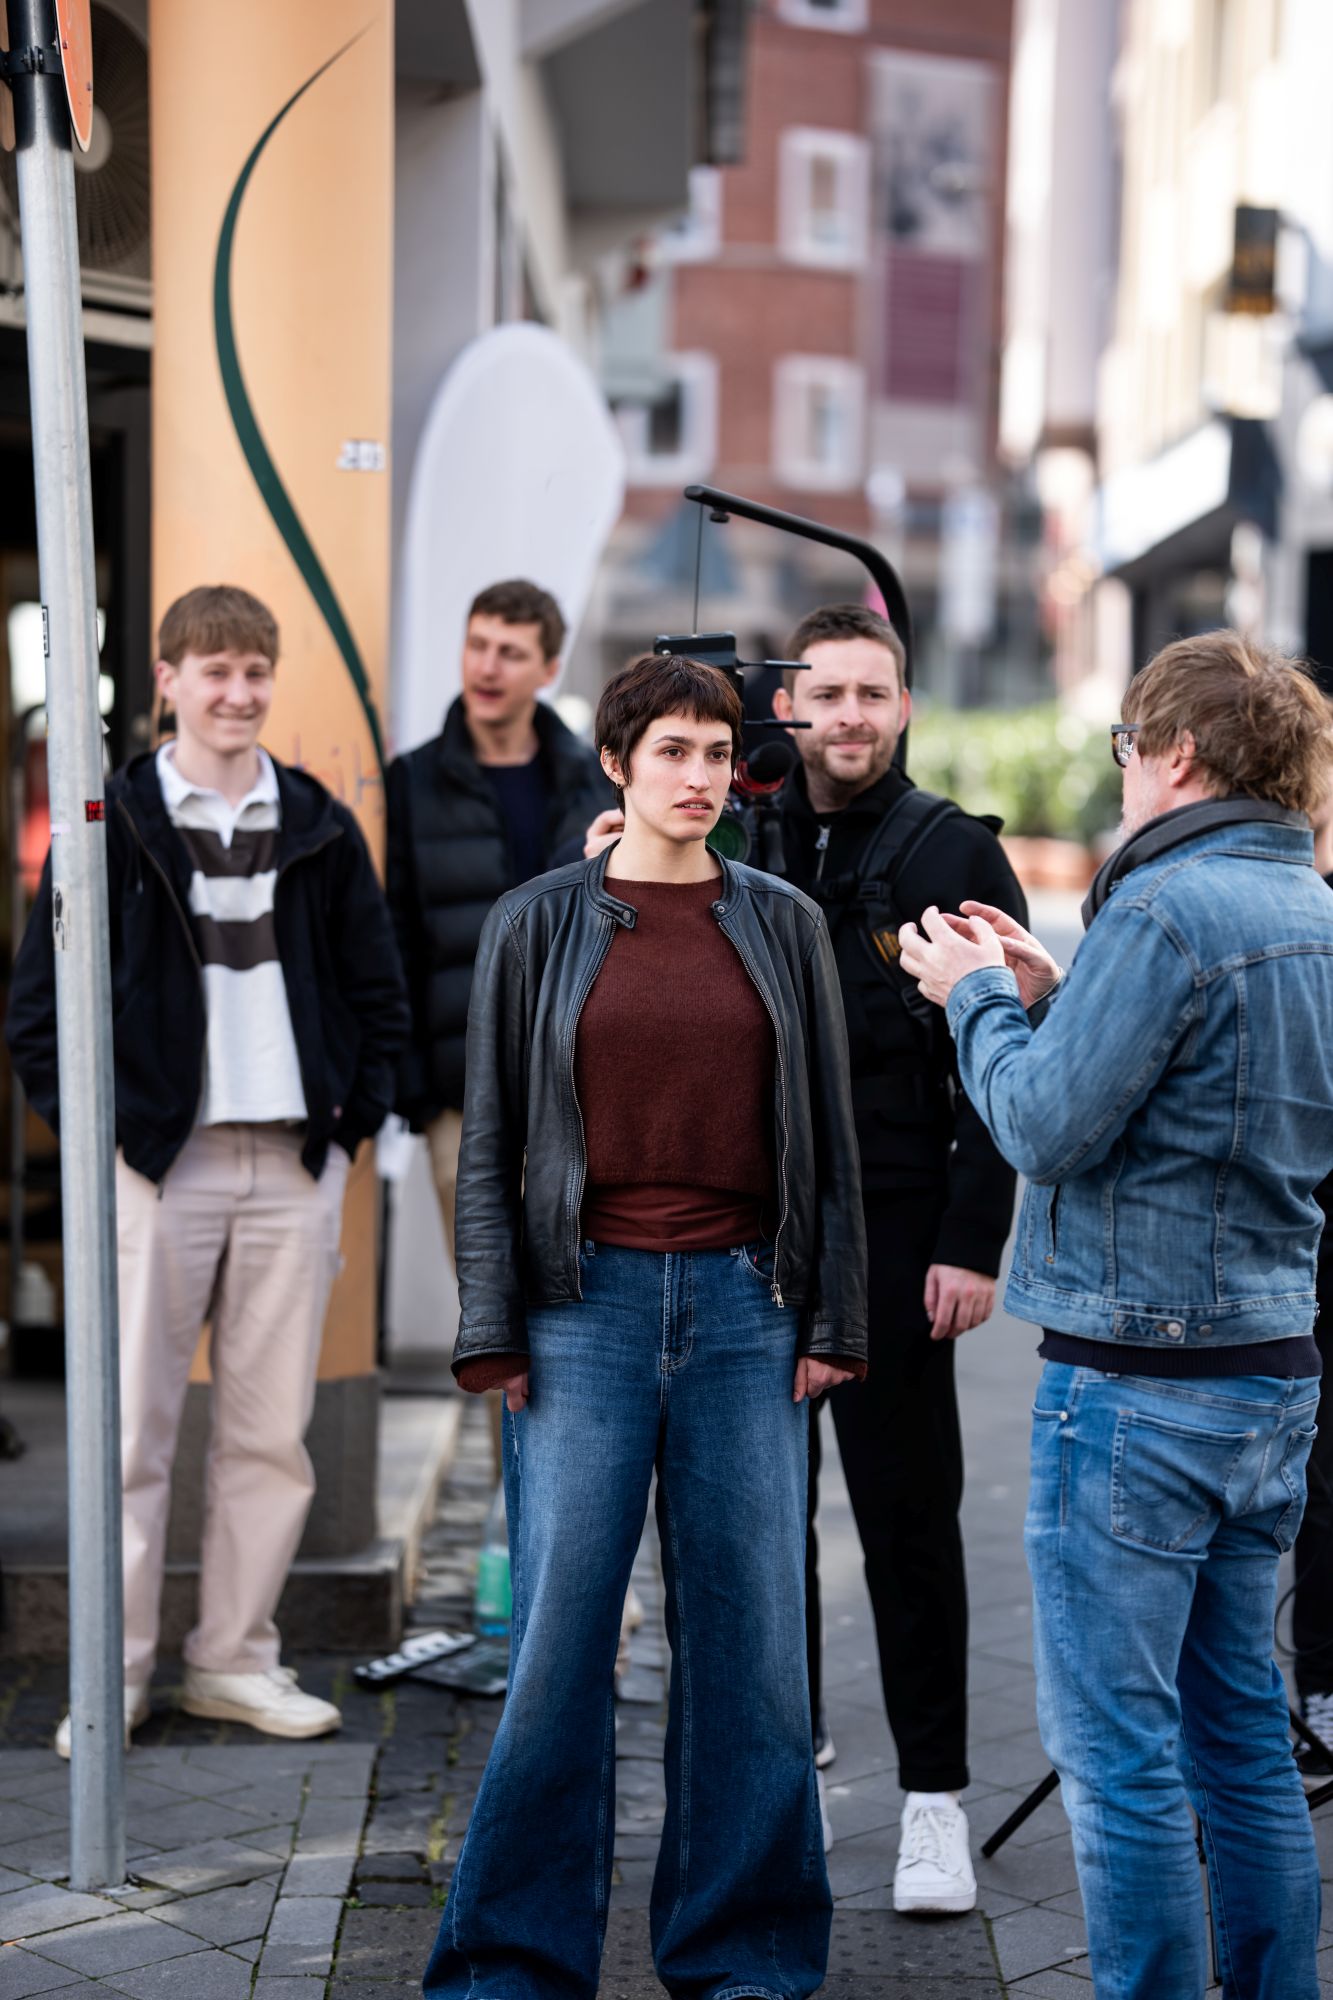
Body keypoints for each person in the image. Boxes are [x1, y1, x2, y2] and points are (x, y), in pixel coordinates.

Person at [424, 653, 867, 2000]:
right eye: (672, 749)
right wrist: (492, 1324)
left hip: (749, 1307)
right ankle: (511, 1964)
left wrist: (834, 1313)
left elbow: (829, 1139)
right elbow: (492, 1140)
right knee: (560, 1648)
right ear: (616, 763)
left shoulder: (784, 921)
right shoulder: (536, 921)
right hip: (581, 1311)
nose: (699, 775)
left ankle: (745, 1958)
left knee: (754, 1656)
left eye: (718, 752)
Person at [899, 630, 1333, 2000]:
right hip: (1269, 1371)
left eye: (1125, 747)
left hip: (1138, 1385)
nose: (1123, 773)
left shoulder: (1164, 910)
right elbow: (1195, 1090)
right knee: (1241, 1741)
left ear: (1177, 754)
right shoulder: (1313, 906)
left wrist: (974, 998)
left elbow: (1038, 1125)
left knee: (1119, 1756)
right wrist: (1056, 994)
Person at [6, 584, 409, 1753]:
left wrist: (343, 1132)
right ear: (168, 679)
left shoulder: (320, 820)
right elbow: (39, 1017)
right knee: (129, 1434)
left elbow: (378, 998)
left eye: (254, 671)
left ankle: (233, 1659)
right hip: (159, 1167)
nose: (237, 692)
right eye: (214, 670)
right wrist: (111, 1141)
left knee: (270, 1435)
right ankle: (114, 1674)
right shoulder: (110, 822)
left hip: (289, 1160)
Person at [384, 579, 611, 1265]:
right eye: (477, 645)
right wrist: (418, 1091)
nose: (486, 667)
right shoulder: (411, 782)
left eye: (509, 653)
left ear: (548, 669)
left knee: (581, 1289)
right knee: (488, 1300)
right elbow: (395, 939)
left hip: (582, 1093)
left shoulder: (594, 780)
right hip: (463, 1097)